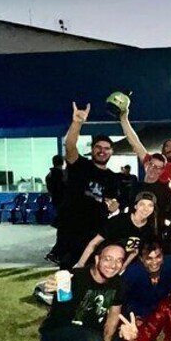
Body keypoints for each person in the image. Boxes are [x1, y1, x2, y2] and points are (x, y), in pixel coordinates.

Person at [39, 241, 138, 341]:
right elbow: (53, 285)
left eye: (119, 260)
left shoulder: (118, 284)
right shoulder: (75, 277)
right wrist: (50, 286)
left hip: (92, 333)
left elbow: (113, 317)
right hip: (57, 334)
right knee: (92, 340)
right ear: (97, 259)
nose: (113, 265)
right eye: (108, 258)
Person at [57, 103, 120, 269]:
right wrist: (77, 123)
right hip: (71, 232)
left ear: (111, 152)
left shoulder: (113, 178)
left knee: (90, 276)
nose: (102, 151)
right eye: (98, 147)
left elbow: (113, 203)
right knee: (67, 278)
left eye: (106, 148)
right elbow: (70, 146)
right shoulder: (80, 165)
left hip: (95, 236)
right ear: (92, 150)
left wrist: (115, 207)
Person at [74, 191, 158, 272]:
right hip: (98, 263)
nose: (146, 209)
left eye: (150, 205)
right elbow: (94, 243)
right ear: (135, 206)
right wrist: (80, 264)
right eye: (142, 204)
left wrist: (122, 269)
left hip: (116, 267)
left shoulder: (148, 229)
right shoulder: (120, 220)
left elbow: (134, 251)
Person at [121, 240, 171, 322]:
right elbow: (124, 300)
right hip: (140, 317)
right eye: (149, 258)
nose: (154, 262)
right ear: (141, 259)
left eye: (158, 256)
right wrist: (136, 316)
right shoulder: (132, 273)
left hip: (168, 314)